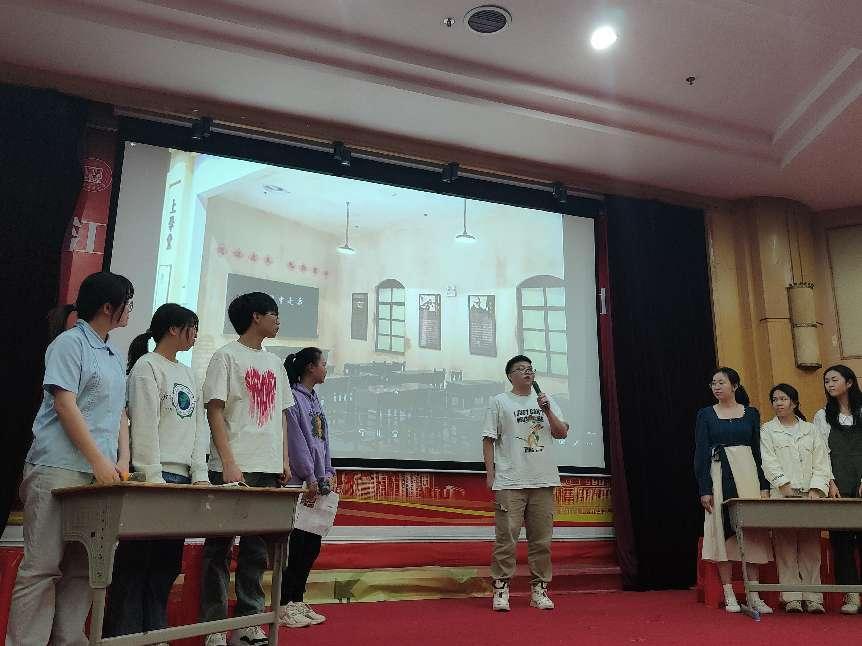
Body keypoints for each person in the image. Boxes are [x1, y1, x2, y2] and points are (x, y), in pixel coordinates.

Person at [7, 271, 134, 646]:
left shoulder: (114, 354)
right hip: (57, 469)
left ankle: (68, 640)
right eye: (127, 303)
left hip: (99, 477)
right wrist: (98, 461)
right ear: (108, 307)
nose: (131, 310)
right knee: (42, 567)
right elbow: (65, 405)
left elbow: (120, 414)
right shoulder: (69, 343)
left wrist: (122, 459)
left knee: (83, 567)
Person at [103, 303, 210, 637]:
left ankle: (155, 633)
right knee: (136, 563)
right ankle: (126, 635)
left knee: (166, 564)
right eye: (192, 328)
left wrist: (200, 474)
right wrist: (152, 476)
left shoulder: (189, 374)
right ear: (174, 329)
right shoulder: (146, 367)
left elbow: (199, 428)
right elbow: (144, 426)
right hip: (155, 479)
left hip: (182, 480)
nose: (195, 335)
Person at [200, 293, 295, 646]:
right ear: (256, 316)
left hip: (267, 466)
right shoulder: (226, 356)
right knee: (219, 549)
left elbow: (281, 416)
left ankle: (249, 622)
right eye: (274, 313)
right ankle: (212, 627)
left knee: (256, 551)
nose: (278, 320)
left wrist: (283, 459)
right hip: (234, 465)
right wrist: (228, 461)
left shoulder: (275, 363)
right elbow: (214, 410)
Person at [482, 355, 569, 612]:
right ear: (510, 376)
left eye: (530, 369)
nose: (527, 372)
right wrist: (490, 474)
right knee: (506, 539)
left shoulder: (546, 400)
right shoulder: (499, 402)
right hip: (510, 481)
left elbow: (561, 432)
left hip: (543, 479)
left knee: (541, 540)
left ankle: (539, 590)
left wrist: (547, 410)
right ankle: (501, 589)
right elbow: (488, 439)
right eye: (521, 369)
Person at [694, 367, 773, 614]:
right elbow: (700, 453)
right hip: (719, 476)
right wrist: (704, 488)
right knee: (722, 533)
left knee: (752, 534)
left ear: (735, 386)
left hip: (748, 476)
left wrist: (764, 485)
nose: (717, 387)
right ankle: (728, 593)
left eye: (722, 382)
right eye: (713, 383)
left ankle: (754, 594)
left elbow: (759, 452)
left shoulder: (751, 414)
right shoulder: (706, 415)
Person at [759, 383, 829, 614]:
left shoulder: (811, 429)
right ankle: (791, 597)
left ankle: (814, 597)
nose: (778, 403)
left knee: (811, 546)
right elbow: (768, 461)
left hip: (810, 495)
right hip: (782, 494)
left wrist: (817, 488)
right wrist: (784, 485)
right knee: (785, 545)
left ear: (795, 403)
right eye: (775, 399)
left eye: (783, 399)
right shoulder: (767, 430)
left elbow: (822, 460)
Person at [278, 347, 335, 629]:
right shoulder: (292, 398)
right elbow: (297, 443)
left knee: (311, 545)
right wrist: (311, 476)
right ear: (310, 367)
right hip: (300, 485)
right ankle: (283, 604)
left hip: (317, 483)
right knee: (295, 546)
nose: (326, 368)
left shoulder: (314, 399)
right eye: (323, 363)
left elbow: (323, 440)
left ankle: (297, 599)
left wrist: (328, 472)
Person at [812, 364, 862, 614]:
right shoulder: (822, 416)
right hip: (837, 485)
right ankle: (851, 596)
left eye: (834, 380)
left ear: (849, 382)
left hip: (860, 481)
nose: (829, 384)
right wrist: (830, 482)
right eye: (826, 381)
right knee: (841, 542)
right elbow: (821, 453)